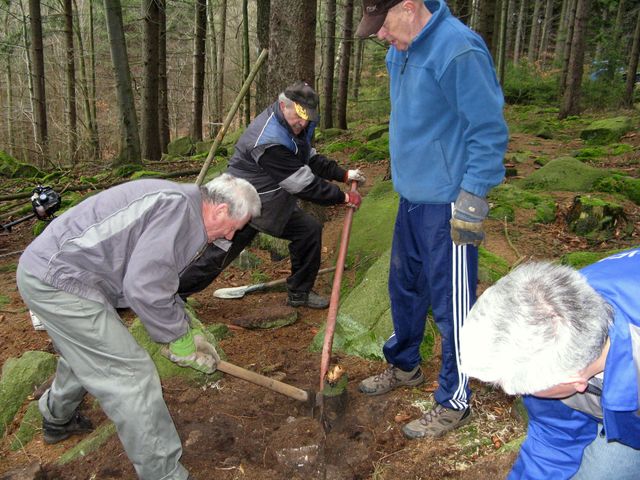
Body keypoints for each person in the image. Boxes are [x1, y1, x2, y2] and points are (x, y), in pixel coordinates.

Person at [16, 175, 261, 480]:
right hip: (57, 279)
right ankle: (163, 474)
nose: (231, 235)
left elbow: (162, 281)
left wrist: (188, 330)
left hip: (55, 272)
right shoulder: (179, 213)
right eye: (234, 227)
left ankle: (56, 419)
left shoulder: (181, 204)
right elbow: (145, 287)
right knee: (132, 375)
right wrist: (178, 338)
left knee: (90, 349)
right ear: (221, 210)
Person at [354, 0, 508, 439]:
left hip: (448, 203)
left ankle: (455, 399)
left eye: (383, 24)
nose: (380, 35)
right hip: (411, 197)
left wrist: (473, 197)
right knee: (404, 287)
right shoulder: (399, 50)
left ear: (408, 6)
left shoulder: (458, 50)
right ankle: (405, 365)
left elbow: (487, 129)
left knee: (451, 306)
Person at [178, 81, 365, 309]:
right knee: (216, 256)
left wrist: (342, 174)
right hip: (240, 203)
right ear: (283, 105)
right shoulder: (268, 139)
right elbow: (301, 184)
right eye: (298, 116)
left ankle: (299, 293)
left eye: (307, 118)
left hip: (270, 201)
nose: (303, 123)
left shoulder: (294, 125)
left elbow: (308, 156)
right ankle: (170, 294)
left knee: (308, 231)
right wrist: (342, 197)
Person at [459, 250, 640, 480]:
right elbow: (554, 437)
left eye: (519, 389)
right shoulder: (553, 324)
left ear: (573, 381)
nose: (520, 394)